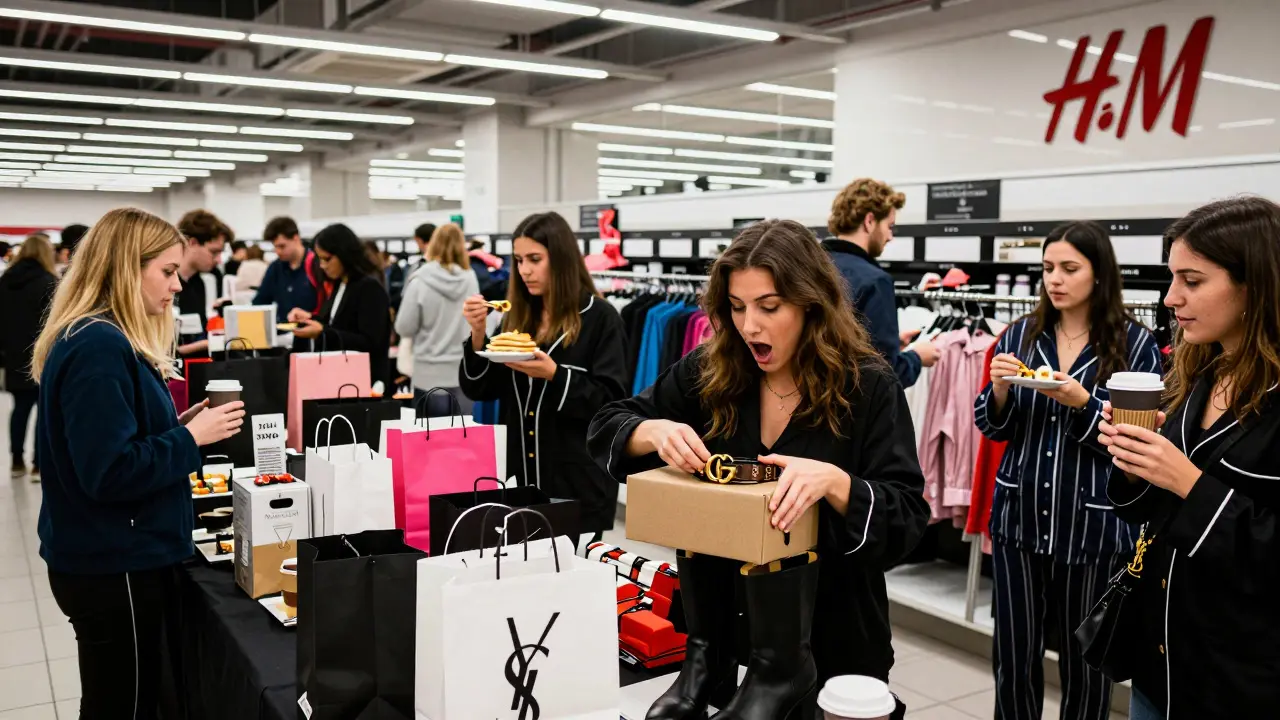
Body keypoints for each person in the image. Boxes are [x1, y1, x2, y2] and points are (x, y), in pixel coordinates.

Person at [588, 219, 930, 719]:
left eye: (769, 308)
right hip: (726, 637)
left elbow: (907, 517)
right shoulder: (713, 371)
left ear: (811, 304)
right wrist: (654, 431)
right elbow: (608, 423)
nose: (750, 326)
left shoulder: (869, 387)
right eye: (737, 306)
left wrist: (836, 484)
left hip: (837, 641)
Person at [31, 207, 245, 718]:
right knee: (124, 704)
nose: (177, 285)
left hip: (107, 554)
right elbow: (109, 472)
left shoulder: (98, 336)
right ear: (128, 267)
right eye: (167, 272)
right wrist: (190, 439)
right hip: (114, 562)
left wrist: (177, 426)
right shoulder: (100, 345)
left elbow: (113, 437)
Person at [1097, 197, 1280, 718]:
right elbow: (1156, 516)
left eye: (1192, 281)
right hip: (1162, 658)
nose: (1171, 297)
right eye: (1172, 277)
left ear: (1254, 284)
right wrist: (1136, 468)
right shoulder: (1196, 374)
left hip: (1241, 679)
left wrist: (1191, 485)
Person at [973, 221, 1162, 720]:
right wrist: (999, 391)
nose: (1054, 279)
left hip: (1094, 525)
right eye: (1047, 268)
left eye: (1069, 268)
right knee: (1013, 656)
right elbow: (991, 427)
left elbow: (1140, 440)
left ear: (1099, 274)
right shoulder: (1021, 334)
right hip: (1020, 518)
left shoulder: (1135, 345)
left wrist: (1082, 403)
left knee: (1087, 664)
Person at [459, 211, 629, 539]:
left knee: (570, 583)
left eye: (535, 259)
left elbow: (612, 405)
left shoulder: (601, 319)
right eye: (519, 260)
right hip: (522, 480)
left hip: (578, 485)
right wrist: (479, 334)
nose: (524, 270)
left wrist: (555, 375)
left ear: (561, 259)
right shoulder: (517, 319)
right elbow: (481, 389)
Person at [823, 178, 939, 386]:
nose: (890, 236)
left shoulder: (811, 265)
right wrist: (917, 358)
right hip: (851, 409)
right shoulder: (875, 281)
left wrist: (893, 342)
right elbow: (883, 375)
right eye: (889, 226)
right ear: (869, 221)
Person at [290, 224, 391, 391]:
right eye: (320, 259)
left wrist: (322, 333)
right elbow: (336, 323)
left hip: (364, 384)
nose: (322, 265)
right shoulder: (341, 284)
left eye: (327, 259)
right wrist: (309, 319)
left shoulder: (369, 288)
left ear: (345, 255)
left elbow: (369, 342)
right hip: (342, 380)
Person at [395, 224, 478, 415]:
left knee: (430, 440)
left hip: (427, 373)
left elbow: (404, 327)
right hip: (462, 372)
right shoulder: (470, 279)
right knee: (461, 439)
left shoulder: (419, 280)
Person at [0, 234, 58, 481]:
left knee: (19, 408)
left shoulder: (4, 282)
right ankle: (37, 464)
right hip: (41, 356)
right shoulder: (49, 282)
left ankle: (15, 460)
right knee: (43, 411)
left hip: (12, 354)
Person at [174, 209, 228, 357]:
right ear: (192, 243)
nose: (218, 260)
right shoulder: (166, 283)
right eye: (214, 252)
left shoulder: (208, 280)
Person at [254, 216, 323, 324]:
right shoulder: (275, 268)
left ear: (295, 239)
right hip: (282, 333)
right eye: (275, 247)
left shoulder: (317, 265)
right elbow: (260, 302)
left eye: (282, 246)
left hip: (311, 332)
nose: (278, 251)